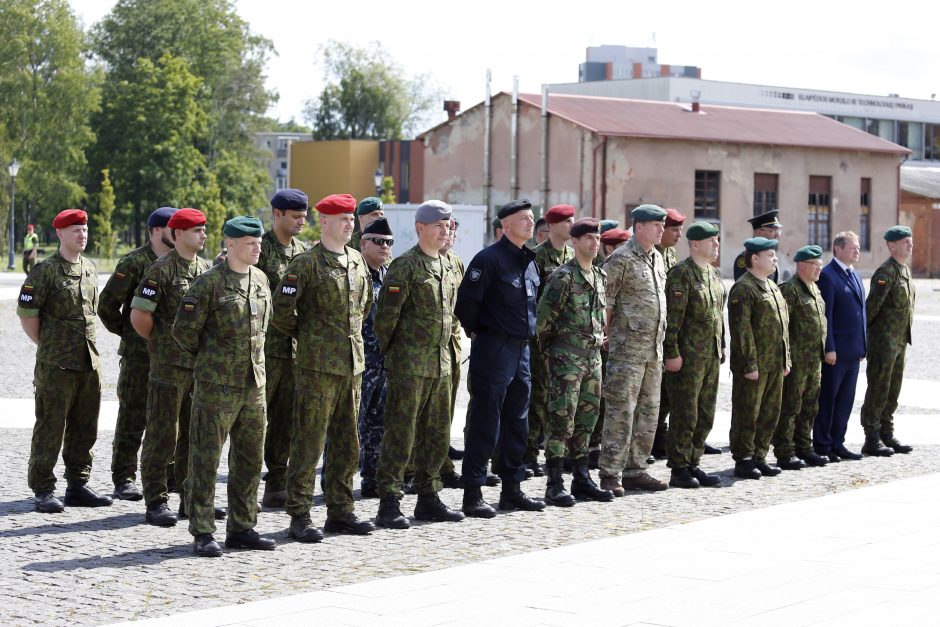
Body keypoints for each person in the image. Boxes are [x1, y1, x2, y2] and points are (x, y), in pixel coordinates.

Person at [272, 193, 376, 542]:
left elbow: (364, 307)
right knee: (308, 442)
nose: (350, 224)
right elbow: (282, 312)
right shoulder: (306, 264)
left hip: (352, 365)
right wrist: (312, 337)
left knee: (348, 443)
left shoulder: (358, 261)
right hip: (317, 367)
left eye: (351, 218)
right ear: (325, 222)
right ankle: (299, 514)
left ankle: (341, 510)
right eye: (342, 218)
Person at [172, 216, 275, 557]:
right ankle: (202, 530)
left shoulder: (260, 280)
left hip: (253, 385)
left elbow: (266, 328)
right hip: (217, 387)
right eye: (250, 243)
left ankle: (243, 526)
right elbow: (183, 333)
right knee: (206, 459)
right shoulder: (208, 285)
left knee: (249, 459)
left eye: (259, 241)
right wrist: (211, 364)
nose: (257, 247)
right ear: (230, 245)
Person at [373, 201, 465, 529]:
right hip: (409, 366)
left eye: (448, 225)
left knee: (437, 434)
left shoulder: (450, 265)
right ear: (420, 228)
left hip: (441, 364)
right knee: (401, 433)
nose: (445, 231)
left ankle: (429, 497)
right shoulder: (406, 267)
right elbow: (385, 320)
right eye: (438, 225)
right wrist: (398, 354)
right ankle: (389, 501)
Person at [455, 198, 546, 518]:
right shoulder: (488, 259)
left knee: (517, 422)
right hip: (493, 347)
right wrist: (481, 332)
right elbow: (466, 304)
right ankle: (473, 492)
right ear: (505, 226)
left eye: (532, 218)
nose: (530, 223)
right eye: (523, 219)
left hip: (521, 350)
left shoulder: (530, 261)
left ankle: (512, 490)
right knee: (485, 421)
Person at [18, 209, 112, 513]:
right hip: (56, 366)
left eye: (84, 229)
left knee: (85, 428)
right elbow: (28, 316)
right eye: (75, 230)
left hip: (88, 363)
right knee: (50, 427)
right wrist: (49, 347)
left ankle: (78, 485)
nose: (81, 235)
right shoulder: (45, 271)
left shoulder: (90, 269)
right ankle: (43, 489)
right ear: (59, 233)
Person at [131, 208, 214, 526]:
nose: (203, 236)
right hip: (168, 367)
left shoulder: (206, 269)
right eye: (196, 231)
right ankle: (156, 500)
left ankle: (190, 499)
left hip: (197, 367)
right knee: (162, 434)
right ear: (178, 234)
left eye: (204, 230)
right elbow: (140, 316)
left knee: (193, 436)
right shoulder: (161, 269)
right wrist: (162, 344)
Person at [98, 206, 176, 501]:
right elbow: (106, 306)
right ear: (157, 230)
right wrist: (130, 333)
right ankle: (124, 477)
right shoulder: (133, 263)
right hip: (139, 356)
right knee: (132, 415)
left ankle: (169, 475)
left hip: (172, 357)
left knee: (170, 418)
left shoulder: (183, 262)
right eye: (173, 227)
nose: (179, 232)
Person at [536, 217, 613, 505]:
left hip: (593, 360)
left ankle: (581, 479)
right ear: (575, 242)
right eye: (589, 238)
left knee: (586, 421)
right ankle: (554, 483)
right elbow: (543, 322)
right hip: (566, 360)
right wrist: (553, 356)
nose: (595, 243)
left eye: (597, 238)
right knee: (561, 421)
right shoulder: (563, 277)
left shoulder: (599, 276)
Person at [599, 205, 668, 495]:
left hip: (653, 351)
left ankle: (636, 468)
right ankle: (610, 472)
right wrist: (605, 340)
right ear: (638, 227)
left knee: (649, 412)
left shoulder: (658, 258)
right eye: (656, 224)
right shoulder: (620, 259)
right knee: (620, 412)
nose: (661, 229)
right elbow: (606, 304)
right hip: (626, 351)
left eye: (663, 224)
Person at [256, 189, 309, 508]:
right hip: (262, 351)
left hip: (293, 352)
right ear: (277, 214)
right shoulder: (259, 250)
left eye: (304, 216)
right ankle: (243, 486)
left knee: (286, 421)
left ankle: (276, 483)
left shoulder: (304, 252)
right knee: (251, 420)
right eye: (295, 216)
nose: (302, 221)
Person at [662, 222, 724, 489]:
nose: (716, 245)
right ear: (695, 244)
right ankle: (679, 467)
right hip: (687, 358)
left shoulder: (712, 273)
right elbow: (673, 319)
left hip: (709, 356)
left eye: (718, 241)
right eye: (712, 241)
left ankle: (693, 462)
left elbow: (719, 316)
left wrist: (721, 348)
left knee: (705, 413)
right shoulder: (681, 275)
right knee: (685, 413)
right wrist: (671, 353)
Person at [728, 237, 790, 479]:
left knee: (769, 412)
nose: (775, 259)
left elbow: (783, 327)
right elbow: (741, 330)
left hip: (774, 363)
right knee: (748, 412)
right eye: (770, 256)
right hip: (755, 365)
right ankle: (743, 458)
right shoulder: (744, 288)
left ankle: (760, 455)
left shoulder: (772, 286)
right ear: (755, 259)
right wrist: (749, 364)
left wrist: (786, 360)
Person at [525, 204, 575, 477]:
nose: (571, 225)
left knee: (563, 398)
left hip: (567, 340)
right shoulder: (536, 257)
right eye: (566, 222)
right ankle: (530, 454)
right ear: (553, 225)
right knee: (539, 396)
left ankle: (558, 451)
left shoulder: (572, 256)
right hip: (540, 340)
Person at [859, 226, 916, 456]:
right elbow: (871, 308)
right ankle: (871, 438)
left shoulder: (905, 270)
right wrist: (865, 339)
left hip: (900, 342)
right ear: (892, 246)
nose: (910, 245)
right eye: (905, 242)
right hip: (883, 343)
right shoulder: (886, 272)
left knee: (893, 390)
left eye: (910, 241)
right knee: (879, 389)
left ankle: (886, 434)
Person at [772, 245, 827, 471]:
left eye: (820, 266)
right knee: (790, 407)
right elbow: (781, 328)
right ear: (802, 265)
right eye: (815, 265)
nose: (819, 270)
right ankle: (785, 451)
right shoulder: (790, 290)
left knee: (809, 407)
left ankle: (804, 447)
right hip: (796, 361)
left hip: (814, 361)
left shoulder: (815, 289)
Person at [814, 232, 867, 463]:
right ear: (837, 248)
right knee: (829, 399)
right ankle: (823, 444)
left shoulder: (855, 274)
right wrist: (829, 347)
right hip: (835, 353)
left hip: (853, 351)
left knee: (845, 401)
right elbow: (828, 317)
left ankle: (838, 442)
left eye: (858, 247)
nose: (857, 250)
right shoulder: (827, 275)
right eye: (852, 247)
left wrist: (863, 345)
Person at [355, 218, 394, 497]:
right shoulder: (355, 274)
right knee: (349, 427)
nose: (384, 247)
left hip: (382, 363)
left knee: (377, 425)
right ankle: (337, 484)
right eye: (378, 241)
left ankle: (371, 478)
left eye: (388, 242)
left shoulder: (388, 275)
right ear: (363, 243)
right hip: (357, 363)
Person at [650, 208, 686, 461]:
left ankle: (662, 440)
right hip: (653, 331)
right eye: (674, 230)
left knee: (668, 392)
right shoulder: (651, 255)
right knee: (655, 392)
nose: (677, 235)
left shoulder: (670, 254)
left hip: (670, 328)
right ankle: (653, 441)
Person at [439, 217, 466, 488]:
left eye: (453, 230)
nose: (449, 235)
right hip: (426, 350)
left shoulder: (456, 262)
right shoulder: (419, 262)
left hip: (453, 344)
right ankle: (417, 468)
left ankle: (443, 460)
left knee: (446, 408)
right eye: (445, 229)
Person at [733, 210, 782, 282]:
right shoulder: (747, 257)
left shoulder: (771, 256)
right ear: (759, 233)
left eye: (778, 231)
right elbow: (745, 288)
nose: (777, 235)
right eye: (773, 231)